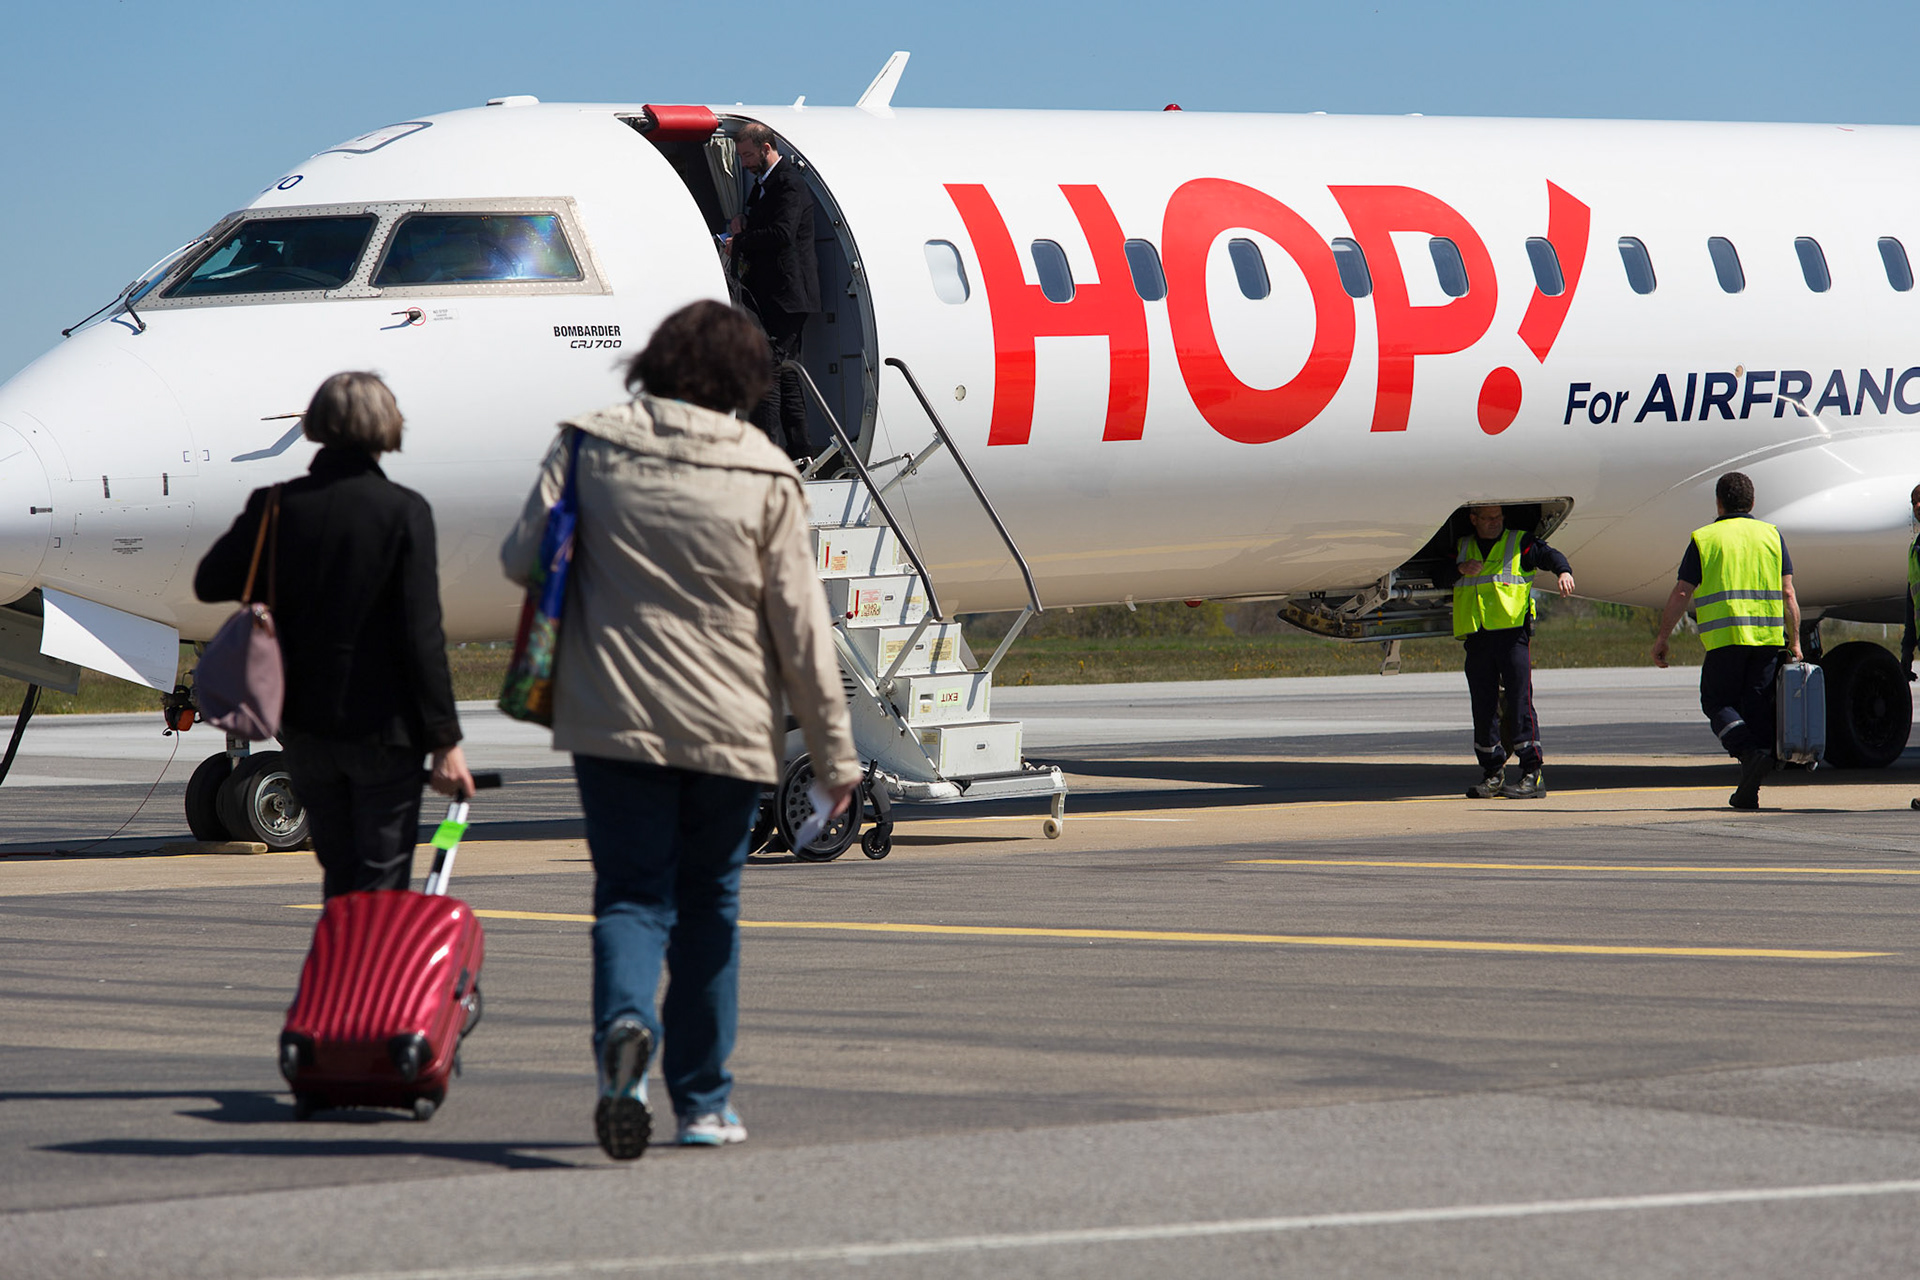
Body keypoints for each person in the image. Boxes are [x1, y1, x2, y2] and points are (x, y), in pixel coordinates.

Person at [501, 300, 860, 1160]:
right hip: (729, 727)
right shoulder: (768, 473)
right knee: (711, 908)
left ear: (653, 363)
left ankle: (624, 1031)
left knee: (631, 897)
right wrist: (836, 757)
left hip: (612, 718)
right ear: (745, 380)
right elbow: (802, 628)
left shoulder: (587, 445)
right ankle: (703, 1102)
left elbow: (523, 558)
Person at [195, 371, 473, 896]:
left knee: (340, 876)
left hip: (306, 726)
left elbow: (211, 582)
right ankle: (374, 977)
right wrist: (445, 740)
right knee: (383, 878)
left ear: (318, 425)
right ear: (387, 427)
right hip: (385, 729)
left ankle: (344, 971)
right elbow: (421, 636)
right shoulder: (403, 511)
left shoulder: (274, 505)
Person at [1651, 471, 1801, 810]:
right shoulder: (1771, 536)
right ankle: (1750, 788)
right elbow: (1788, 593)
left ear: (1719, 502)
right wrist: (1794, 643)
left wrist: (1663, 637)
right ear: (1751, 502)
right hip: (1766, 640)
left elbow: (1681, 591)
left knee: (1716, 702)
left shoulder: (1706, 539)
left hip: (1726, 638)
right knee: (1757, 708)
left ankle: (1748, 755)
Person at [1450, 504, 1575, 799]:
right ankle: (1492, 772)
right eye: (1488, 518)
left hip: (1512, 636)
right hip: (1478, 637)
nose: (1495, 523)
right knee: (1483, 706)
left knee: (1520, 702)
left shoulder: (1518, 542)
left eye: (1498, 517)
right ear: (1474, 519)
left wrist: (1563, 570)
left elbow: (1548, 555)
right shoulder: (1463, 546)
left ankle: (1533, 773)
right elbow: (1437, 572)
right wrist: (1459, 568)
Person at [726, 122, 819, 462]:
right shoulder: (764, 185)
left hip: (788, 293)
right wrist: (743, 220)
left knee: (768, 368)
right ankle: (800, 450)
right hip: (776, 293)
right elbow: (766, 223)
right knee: (787, 372)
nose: (745, 162)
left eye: (749, 155)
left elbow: (782, 233)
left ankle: (769, 453)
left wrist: (739, 243)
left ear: (767, 149)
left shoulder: (788, 184)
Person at [1901, 482, 1920, 682]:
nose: (1918, 506)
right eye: (1914, 502)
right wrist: (1907, 651)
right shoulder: (1915, 549)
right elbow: (1912, 605)